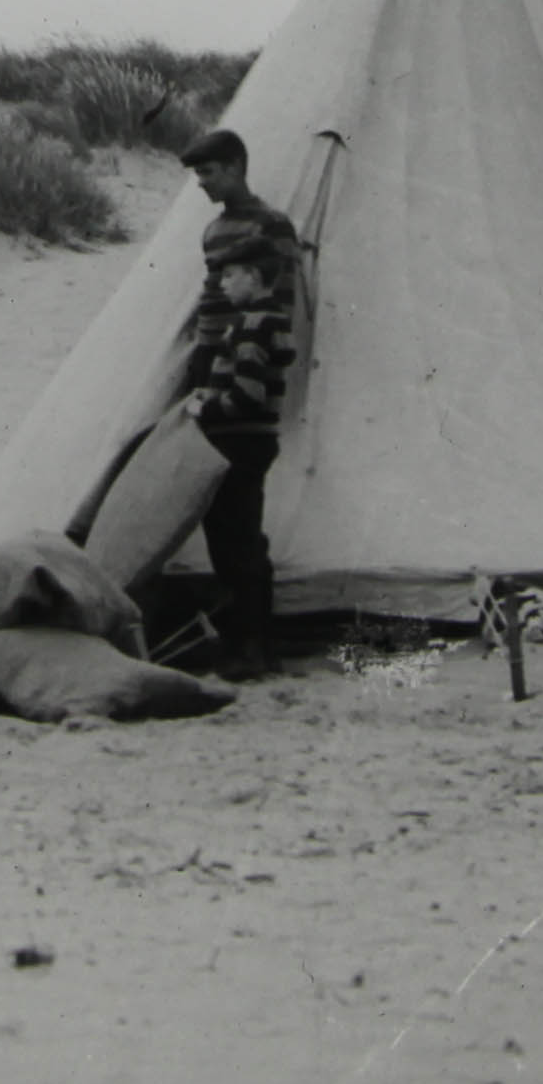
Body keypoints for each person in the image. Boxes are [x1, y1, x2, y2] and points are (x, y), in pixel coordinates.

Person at [179, 129, 303, 675]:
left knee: (239, 526)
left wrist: (246, 345)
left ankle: (254, 642)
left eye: (209, 173)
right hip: (217, 360)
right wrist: (202, 366)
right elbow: (212, 298)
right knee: (223, 523)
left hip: (244, 366)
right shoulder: (212, 231)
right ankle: (238, 638)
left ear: (235, 167)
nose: (203, 184)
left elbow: (281, 293)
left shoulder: (270, 225)